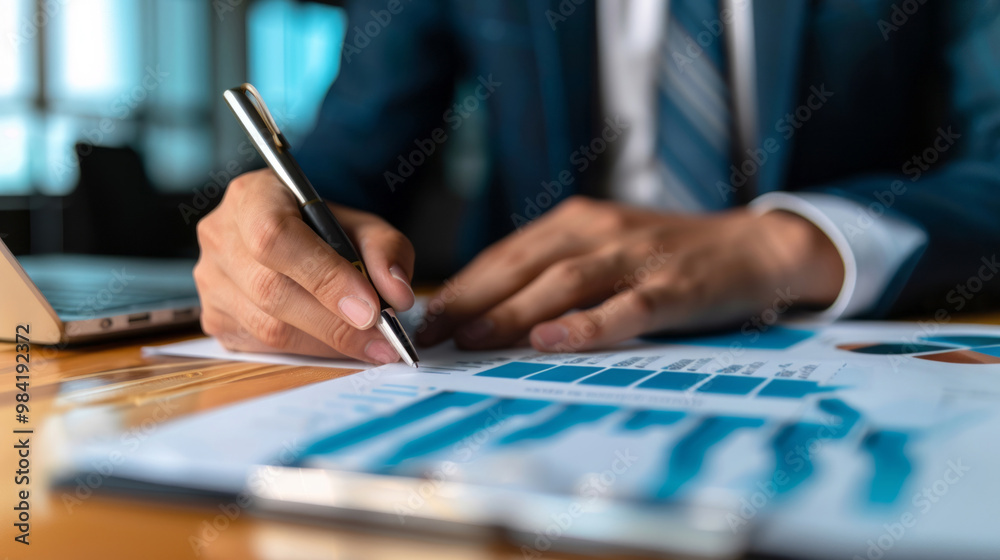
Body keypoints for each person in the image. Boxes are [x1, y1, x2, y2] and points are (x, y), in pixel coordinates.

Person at [194, 0, 1000, 364]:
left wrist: (789, 243)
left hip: (849, 337)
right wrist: (272, 238)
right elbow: (343, 170)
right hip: (514, 356)